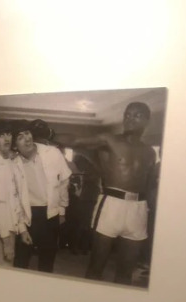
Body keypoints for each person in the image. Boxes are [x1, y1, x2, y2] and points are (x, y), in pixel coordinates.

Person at [56, 102, 157, 285]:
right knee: (96, 269)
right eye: (127, 114)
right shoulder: (110, 139)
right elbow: (75, 141)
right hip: (112, 205)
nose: (130, 119)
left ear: (147, 121)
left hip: (138, 209)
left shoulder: (150, 152)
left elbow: (149, 186)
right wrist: (48, 134)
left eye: (137, 115)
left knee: (125, 274)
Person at [12, 120, 73, 273]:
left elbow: (64, 181)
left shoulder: (52, 153)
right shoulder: (13, 165)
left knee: (47, 263)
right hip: (28, 216)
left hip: (51, 214)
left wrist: (62, 210)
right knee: (21, 263)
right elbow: (15, 199)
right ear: (15, 146)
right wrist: (22, 229)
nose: (27, 139)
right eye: (20, 137)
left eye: (27, 133)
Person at [0, 121, 32, 265]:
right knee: (2, 272)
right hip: (1, 231)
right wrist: (6, 241)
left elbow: (16, 199)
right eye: (1, 135)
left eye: (8, 134)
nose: (6, 139)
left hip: (11, 227)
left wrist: (23, 229)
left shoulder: (11, 163)